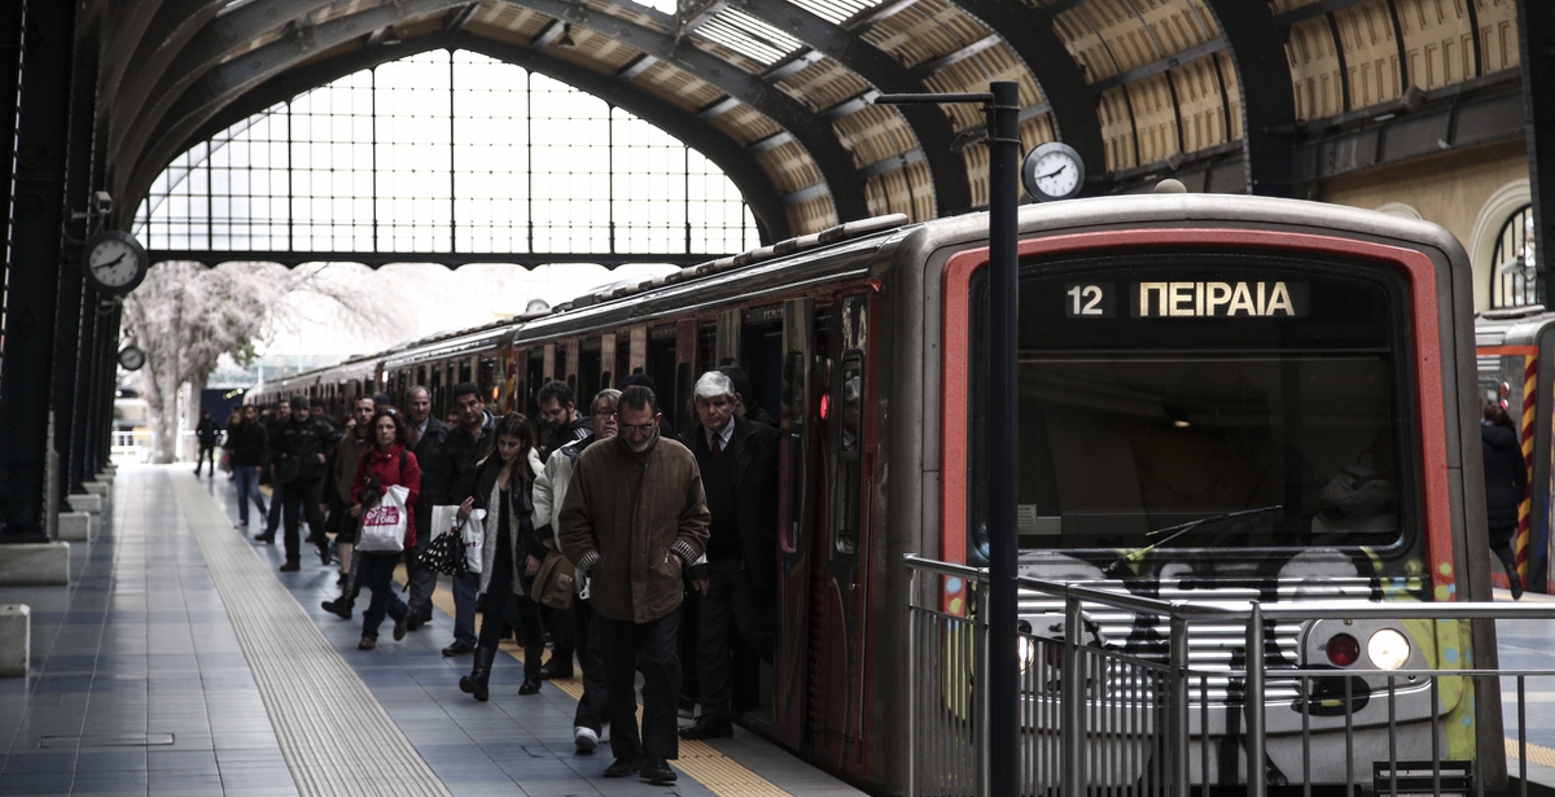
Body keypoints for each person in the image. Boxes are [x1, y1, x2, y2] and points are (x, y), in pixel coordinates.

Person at [559, 385, 710, 785]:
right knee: (617, 674)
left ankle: (657, 755)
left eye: (644, 428)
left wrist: (677, 558)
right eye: (628, 428)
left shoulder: (680, 459)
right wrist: (593, 563)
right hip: (612, 592)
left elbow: (698, 520)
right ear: (616, 422)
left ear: (656, 421)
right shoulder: (593, 461)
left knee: (662, 667)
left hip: (662, 588)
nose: (636, 436)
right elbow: (572, 521)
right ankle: (626, 752)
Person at [679, 371, 780, 740]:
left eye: (719, 403)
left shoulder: (762, 439)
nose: (712, 411)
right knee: (711, 642)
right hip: (707, 562)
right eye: (705, 405)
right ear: (696, 406)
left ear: (734, 401)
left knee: (756, 630)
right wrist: (695, 563)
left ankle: (788, 695)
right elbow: (681, 508)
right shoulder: (685, 445)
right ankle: (716, 715)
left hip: (748, 559)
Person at [533, 388, 620, 752]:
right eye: (603, 412)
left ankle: (589, 718)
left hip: (621, 574)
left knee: (603, 648)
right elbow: (542, 490)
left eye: (618, 412)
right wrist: (546, 535)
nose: (611, 419)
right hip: (581, 570)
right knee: (588, 645)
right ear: (591, 417)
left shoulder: (642, 458)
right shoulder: (565, 457)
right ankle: (603, 714)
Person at [456, 413, 546, 701]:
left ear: (523, 444)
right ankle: (480, 677)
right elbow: (477, 505)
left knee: (529, 614)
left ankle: (533, 675)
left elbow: (544, 517)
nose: (506, 449)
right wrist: (465, 512)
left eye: (513, 444)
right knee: (492, 612)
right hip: (495, 554)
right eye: (502, 443)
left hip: (525, 553)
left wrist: (537, 552)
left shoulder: (534, 472)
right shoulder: (487, 468)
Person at [350, 407, 421, 650]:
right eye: (380, 427)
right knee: (370, 578)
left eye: (389, 427)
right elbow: (356, 487)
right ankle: (400, 611)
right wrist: (363, 498)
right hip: (371, 531)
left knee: (380, 580)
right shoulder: (367, 459)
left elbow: (412, 493)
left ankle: (370, 631)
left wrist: (380, 493)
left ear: (397, 431)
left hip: (394, 532)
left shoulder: (406, 459)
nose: (384, 431)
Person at [436, 382, 496, 657]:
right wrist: (449, 513)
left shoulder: (499, 432)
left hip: (494, 515)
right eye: (462, 406)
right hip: (462, 517)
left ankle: (499, 631)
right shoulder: (452, 438)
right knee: (463, 576)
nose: (468, 410)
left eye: (472, 403)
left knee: (495, 576)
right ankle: (464, 636)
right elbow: (444, 479)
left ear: (482, 402)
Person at [263, 396, 340, 572]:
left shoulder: (318, 426)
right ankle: (293, 559)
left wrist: (324, 456)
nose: (301, 413)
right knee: (290, 521)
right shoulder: (284, 427)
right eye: (298, 409)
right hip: (290, 479)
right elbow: (272, 445)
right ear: (293, 410)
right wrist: (278, 459)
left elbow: (337, 439)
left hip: (311, 478)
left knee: (314, 518)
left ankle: (323, 547)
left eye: (305, 409)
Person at [321, 397, 377, 618]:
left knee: (373, 569)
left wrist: (365, 504)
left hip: (373, 509)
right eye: (359, 410)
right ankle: (346, 601)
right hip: (350, 505)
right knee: (350, 550)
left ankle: (395, 610)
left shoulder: (380, 440)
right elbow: (339, 470)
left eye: (368, 410)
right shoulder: (346, 441)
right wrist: (348, 497)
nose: (363, 414)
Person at [403, 386, 451, 631]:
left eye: (424, 403)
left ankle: (414, 608)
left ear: (430, 404)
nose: (420, 408)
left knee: (424, 560)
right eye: (415, 404)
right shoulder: (399, 431)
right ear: (409, 405)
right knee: (412, 559)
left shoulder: (443, 433)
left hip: (431, 509)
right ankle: (424, 608)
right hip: (405, 508)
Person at [1483, 402, 1528, 599]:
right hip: (1506, 506)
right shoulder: (1512, 443)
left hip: (1482, 506)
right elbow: (1521, 477)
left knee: (1477, 546)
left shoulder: (1478, 440)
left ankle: (1477, 589)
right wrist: (1514, 498)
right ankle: (1512, 574)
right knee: (1502, 545)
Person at [229, 405, 269, 529]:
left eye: (251, 413)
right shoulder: (238, 429)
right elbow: (232, 445)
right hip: (240, 464)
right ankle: (243, 518)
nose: (248, 415)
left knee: (253, 491)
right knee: (241, 493)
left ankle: (263, 510)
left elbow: (264, 447)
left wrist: (260, 463)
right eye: (246, 413)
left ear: (255, 414)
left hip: (253, 465)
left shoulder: (260, 429)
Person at [537, 379, 592, 459]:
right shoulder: (558, 433)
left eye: (555, 412)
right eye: (546, 414)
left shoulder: (581, 439)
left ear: (570, 406)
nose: (550, 419)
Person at [263, 399, 291, 537]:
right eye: (281, 407)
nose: (283, 410)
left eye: (286, 407)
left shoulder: (300, 426)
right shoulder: (275, 425)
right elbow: (272, 446)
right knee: (276, 502)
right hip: (281, 469)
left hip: (297, 472)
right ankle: (270, 530)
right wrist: (273, 463)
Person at [716, 364, 776, 428]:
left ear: (736, 400)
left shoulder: (763, 431)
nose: (711, 410)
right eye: (706, 403)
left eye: (718, 402)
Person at [194, 411, 220, 476]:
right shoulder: (202, 422)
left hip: (210, 441)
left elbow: (218, 430)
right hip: (203, 442)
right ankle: (198, 469)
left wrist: (214, 436)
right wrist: (201, 437)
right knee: (201, 457)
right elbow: (197, 430)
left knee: (211, 457)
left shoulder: (213, 422)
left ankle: (211, 471)